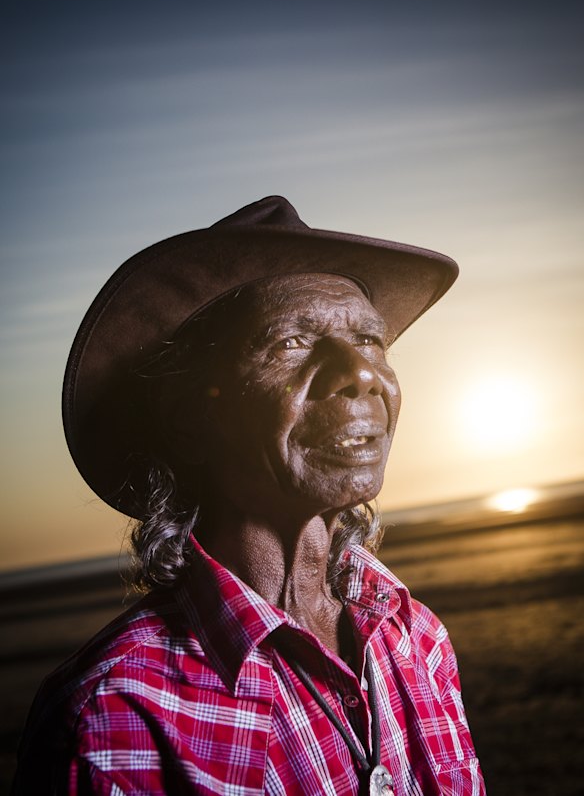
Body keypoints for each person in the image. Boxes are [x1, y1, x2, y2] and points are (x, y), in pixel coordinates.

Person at [12, 196, 485, 795]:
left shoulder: (415, 637)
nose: (362, 373)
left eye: (369, 339)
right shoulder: (117, 718)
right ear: (188, 418)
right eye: (290, 342)